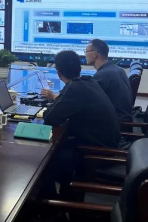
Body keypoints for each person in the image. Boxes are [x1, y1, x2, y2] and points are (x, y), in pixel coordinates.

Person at [39, 50, 120, 198]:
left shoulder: (74, 88)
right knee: (57, 150)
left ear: (59, 73)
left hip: (96, 152)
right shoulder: (88, 82)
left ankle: (52, 205)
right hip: (107, 144)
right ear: (79, 68)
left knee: (44, 161)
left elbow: (50, 117)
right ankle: (64, 195)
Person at [85, 39, 133, 122]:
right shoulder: (117, 69)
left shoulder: (103, 75)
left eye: (86, 51)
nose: (85, 54)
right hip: (121, 119)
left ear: (95, 54)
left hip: (115, 124)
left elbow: (87, 102)